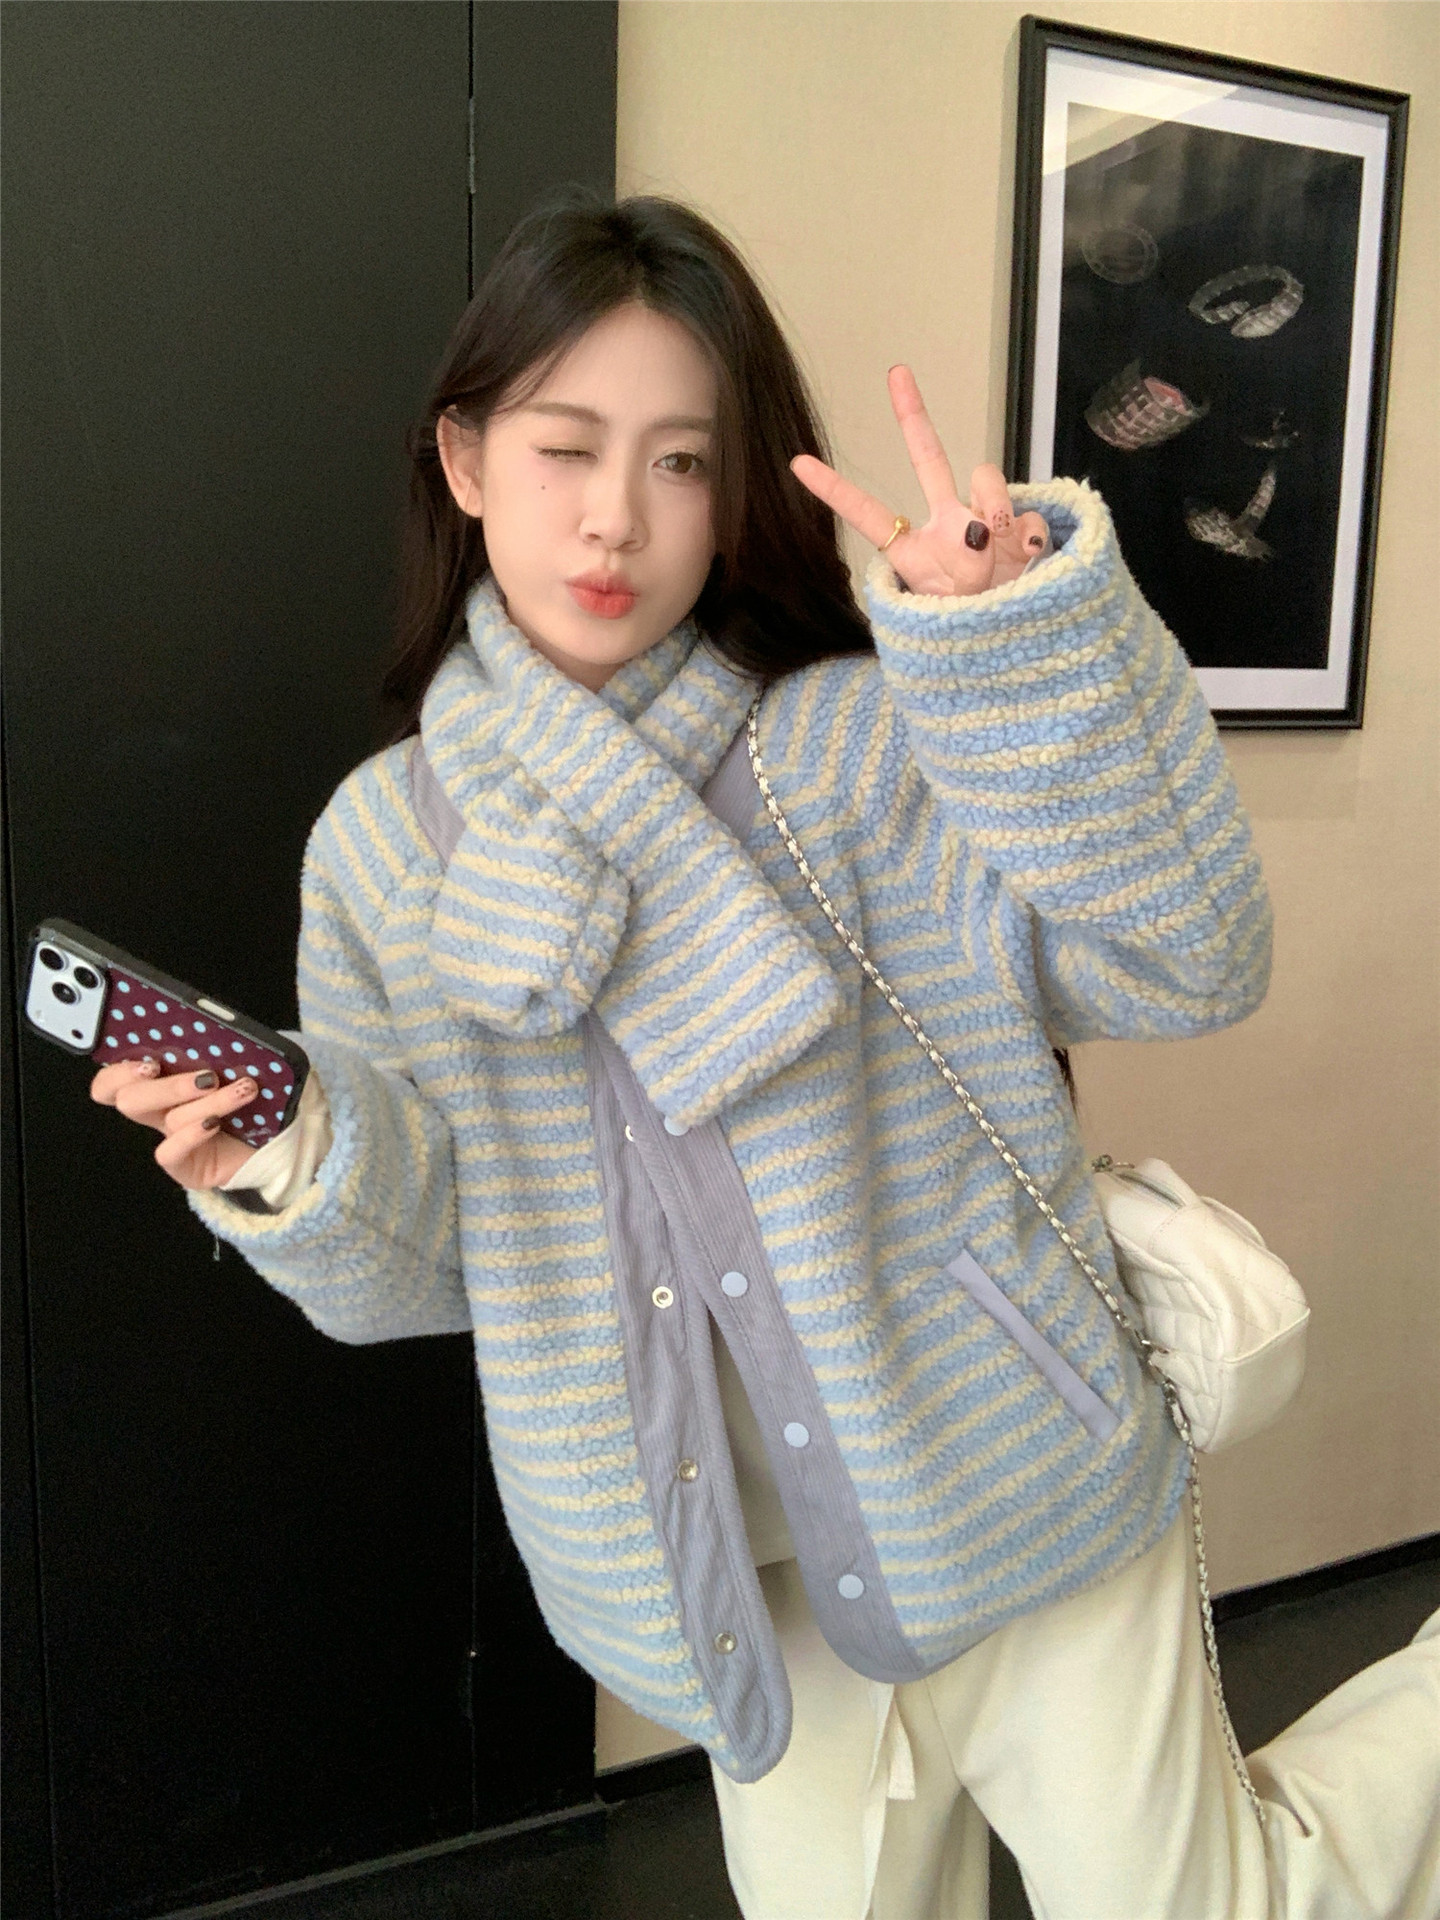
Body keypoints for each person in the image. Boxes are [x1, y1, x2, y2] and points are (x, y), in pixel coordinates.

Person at [90, 195, 1438, 1920]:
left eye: (681, 461)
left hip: (1015, 1471)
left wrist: (1018, 654)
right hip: (736, 1573)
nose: (616, 515)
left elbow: (1187, 959)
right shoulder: (384, 849)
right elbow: (435, 1270)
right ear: (464, 459)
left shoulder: (853, 741)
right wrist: (290, 1153)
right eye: (565, 446)